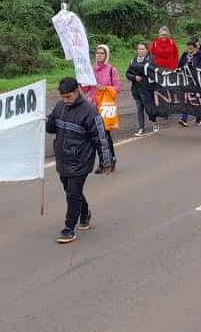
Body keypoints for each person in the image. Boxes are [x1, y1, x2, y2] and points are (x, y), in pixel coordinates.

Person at [46, 77, 113, 244]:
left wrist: (106, 161)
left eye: (68, 96)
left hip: (81, 160)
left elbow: (101, 138)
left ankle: (69, 228)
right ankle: (84, 213)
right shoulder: (60, 107)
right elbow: (52, 129)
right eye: (63, 97)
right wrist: (48, 121)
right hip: (62, 158)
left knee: (73, 193)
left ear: (77, 91)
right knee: (69, 190)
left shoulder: (90, 112)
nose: (65, 100)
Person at [83, 45, 120, 174]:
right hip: (92, 106)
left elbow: (117, 88)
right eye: (97, 53)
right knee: (96, 136)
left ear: (106, 55)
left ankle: (111, 159)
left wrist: (105, 88)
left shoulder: (111, 70)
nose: (99, 55)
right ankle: (102, 163)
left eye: (102, 53)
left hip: (105, 106)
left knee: (106, 135)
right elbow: (86, 89)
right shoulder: (90, 70)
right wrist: (81, 82)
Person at [126, 42, 159, 136]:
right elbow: (127, 73)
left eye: (142, 49)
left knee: (149, 108)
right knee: (139, 108)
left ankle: (154, 122)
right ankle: (141, 128)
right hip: (136, 89)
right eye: (139, 49)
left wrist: (137, 68)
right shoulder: (133, 60)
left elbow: (148, 70)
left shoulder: (151, 59)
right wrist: (134, 77)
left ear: (146, 50)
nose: (140, 51)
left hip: (147, 89)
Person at [177, 38, 201, 127]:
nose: (189, 50)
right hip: (186, 80)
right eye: (188, 48)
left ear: (195, 48)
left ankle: (199, 117)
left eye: (191, 48)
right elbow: (179, 66)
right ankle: (184, 119)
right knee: (186, 99)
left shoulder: (200, 56)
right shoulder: (184, 55)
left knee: (196, 100)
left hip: (197, 81)